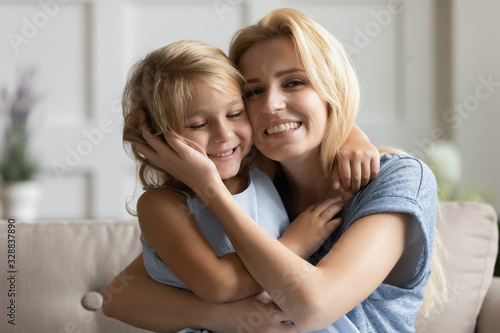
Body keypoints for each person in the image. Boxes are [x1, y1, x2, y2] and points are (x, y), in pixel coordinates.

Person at [116, 8, 448, 333]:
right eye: (254, 91)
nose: (271, 104)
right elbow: (123, 296)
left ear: (331, 88)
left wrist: (347, 128)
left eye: (294, 82)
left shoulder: (397, 179)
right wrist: (219, 317)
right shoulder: (254, 178)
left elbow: (313, 306)